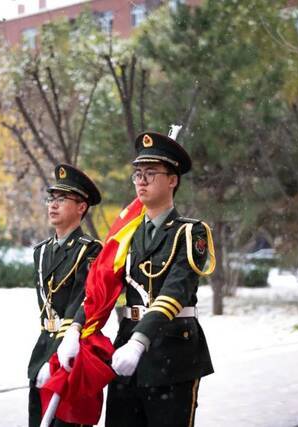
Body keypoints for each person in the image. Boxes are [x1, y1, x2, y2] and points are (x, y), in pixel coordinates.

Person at [58, 131, 215, 426]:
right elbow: (102, 284)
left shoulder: (190, 233)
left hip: (171, 352)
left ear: (172, 180)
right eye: (138, 174)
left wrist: (140, 342)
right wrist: (75, 328)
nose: (141, 180)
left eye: (151, 173)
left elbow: (175, 290)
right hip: (126, 348)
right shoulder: (127, 233)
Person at [27, 164, 102, 427]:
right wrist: (46, 358)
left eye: (62, 199)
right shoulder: (41, 251)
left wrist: (56, 357)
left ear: (81, 207)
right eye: (51, 199)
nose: (53, 205)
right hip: (44, 347)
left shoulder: (90, 251)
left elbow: (83, 301)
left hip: (72, 351)